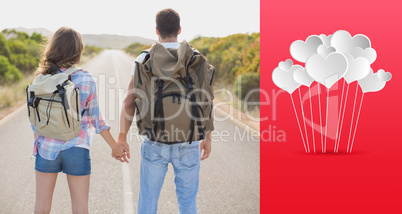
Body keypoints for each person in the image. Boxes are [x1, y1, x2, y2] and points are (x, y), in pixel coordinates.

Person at [117, 8, 212, 214]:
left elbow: (128, 101)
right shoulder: (195, 59)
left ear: (156, 30)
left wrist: (122, 137)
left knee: (148, 204)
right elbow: (206, 100)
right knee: (188, 204)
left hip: (154, 141)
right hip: (188, 141)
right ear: (179, 29)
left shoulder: (144, 60)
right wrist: (208, 138)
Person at [31, 27, 129, 214]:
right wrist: (115, 147)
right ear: (78, 50)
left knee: (41, 207)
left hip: (46, 148)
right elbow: (97, 120)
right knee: (80, 208)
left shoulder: (41, 78)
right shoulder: (85, 79)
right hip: (77, 147)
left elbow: (34, 119)